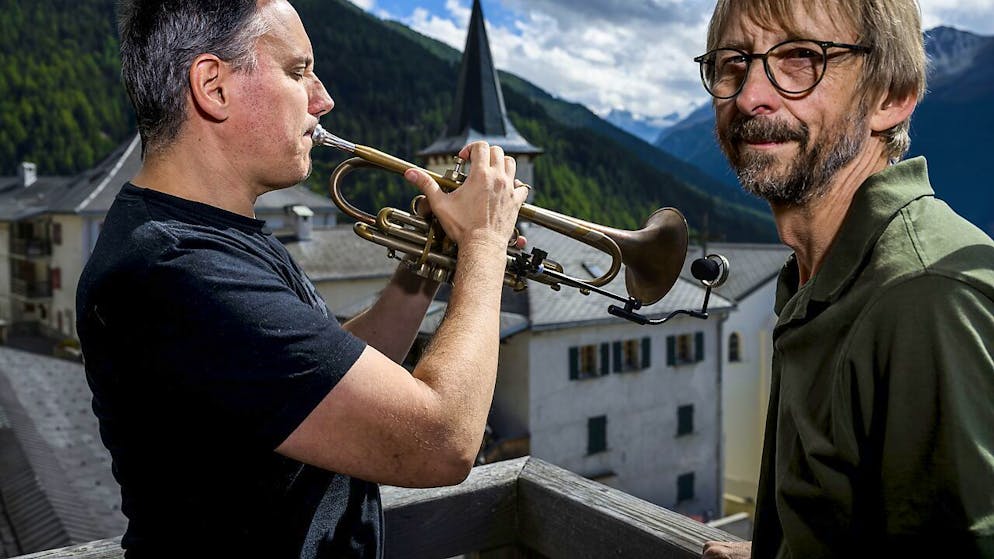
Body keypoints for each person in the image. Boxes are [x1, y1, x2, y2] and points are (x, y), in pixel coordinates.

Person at [76, 0, 529, 557]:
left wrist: (430, 263)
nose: (324, 100)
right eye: (298, 71)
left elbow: (321, 376)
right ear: (213, 87)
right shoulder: (177, 270)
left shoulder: (208, 236)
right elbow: (445, 443)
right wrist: (484, 243)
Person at [693, 0, 994, 557]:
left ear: (892, 97)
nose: (751, 96)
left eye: (801, 58)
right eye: (734, 63)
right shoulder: (817, 274)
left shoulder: (925, 297)